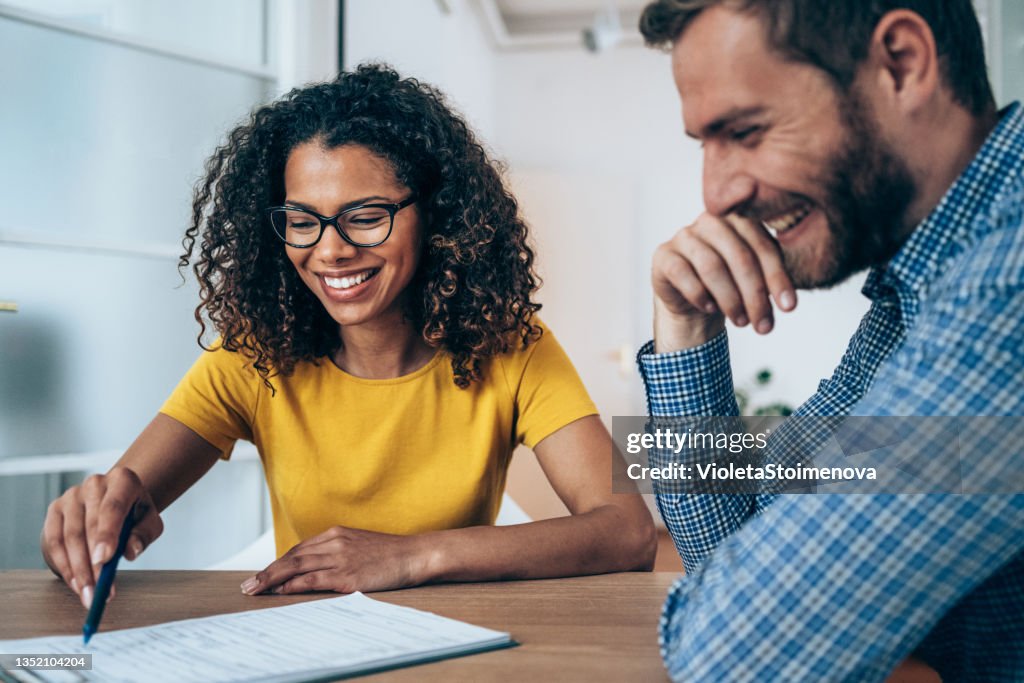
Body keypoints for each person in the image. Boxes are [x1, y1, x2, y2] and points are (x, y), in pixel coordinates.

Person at [40, 64, 655, 608]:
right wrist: (86, 523)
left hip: (458, 637)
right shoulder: (254, 354)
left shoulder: (509, 345)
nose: (330, 250)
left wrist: (413, 556)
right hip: (306, 640)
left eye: (365, 216)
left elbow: (626, 530)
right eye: (302, 221)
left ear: (434, 215)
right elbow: (122, 502)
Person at [636, 0, 1024, 681]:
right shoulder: (915, 291)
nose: (716, 193)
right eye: (706, 143)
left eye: (747, 131)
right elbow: (732, 549)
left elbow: (734, 657)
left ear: (901, 65)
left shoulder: (1008, 278)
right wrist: (684, 327)